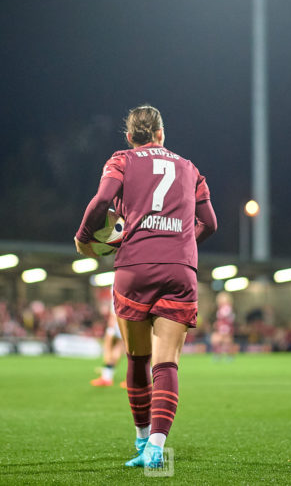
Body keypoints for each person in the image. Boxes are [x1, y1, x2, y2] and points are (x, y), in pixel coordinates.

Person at [75, 104, 217, 469]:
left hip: (134, 267)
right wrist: (181, 245)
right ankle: (157, 446)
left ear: (129, 136)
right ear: (161, 134)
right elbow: (210, 223)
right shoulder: (190, 168)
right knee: (166, 362)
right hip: (179, 269)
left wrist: (84, 238)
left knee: (137, 359)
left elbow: (103, 201)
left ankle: (140, 442)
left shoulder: (121, 160)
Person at [91, 289, 127, 388]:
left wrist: (112, 321)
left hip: (118, 319)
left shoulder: (119, 279)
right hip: (127, 318)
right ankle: (108, 375)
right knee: (121, 348)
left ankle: (107, 376)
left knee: (109, 347)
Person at [211, 291, 236, 361]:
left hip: (225, 326)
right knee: (219, 340)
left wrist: (219, 323)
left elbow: (226, 317)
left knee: (225, 341)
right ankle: (220, 355)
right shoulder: (221, 307)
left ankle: (227, 356)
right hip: (222, 326)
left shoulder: (227, 307)